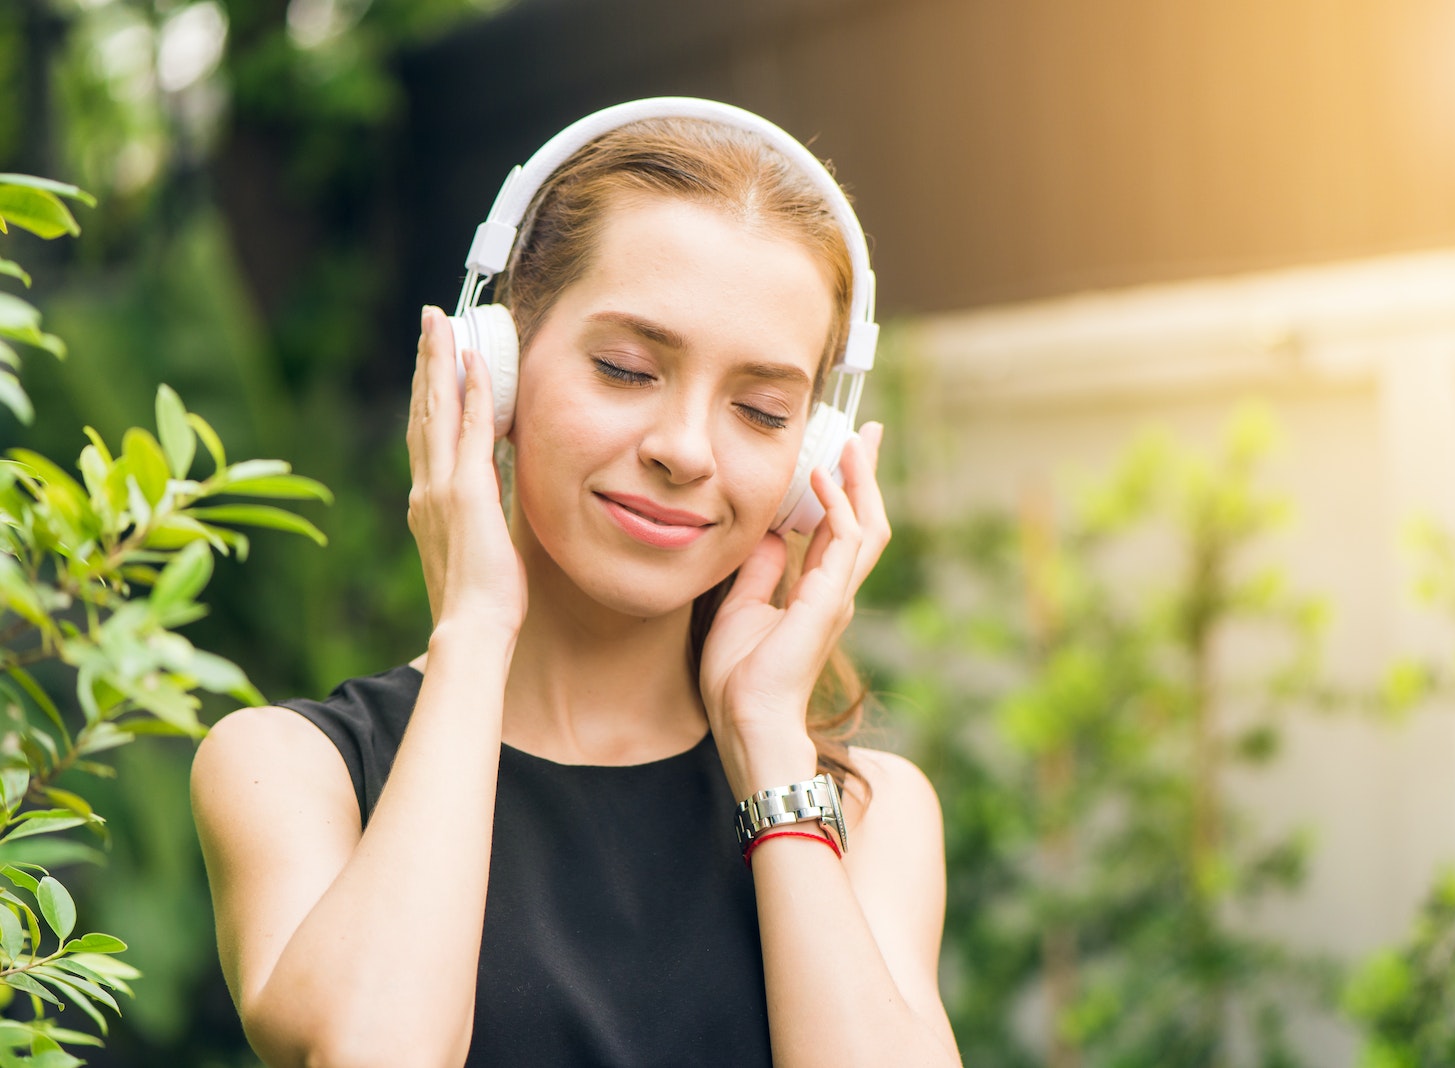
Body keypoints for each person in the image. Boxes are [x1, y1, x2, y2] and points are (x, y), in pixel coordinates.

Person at [191, 98, 961, 1068]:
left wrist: (769, 747)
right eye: (626, 368)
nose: (684, 450)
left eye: (762, 411)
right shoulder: (293, 771)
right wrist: (472, 630)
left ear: (814, 459)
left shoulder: (866, 812)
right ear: (493, 368)